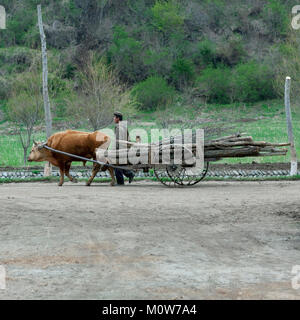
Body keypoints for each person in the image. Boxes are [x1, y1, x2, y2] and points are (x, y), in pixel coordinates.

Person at [113, 111, 135, 185]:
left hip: (122, 149)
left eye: (114, 117)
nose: (113, 119)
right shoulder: (123, 126)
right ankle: (130, 174)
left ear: (118, 118)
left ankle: (120, 182)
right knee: (120, 165)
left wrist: (116, 150)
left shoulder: (119, 127)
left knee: (116, 165)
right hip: (125, 148)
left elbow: (118, 141)